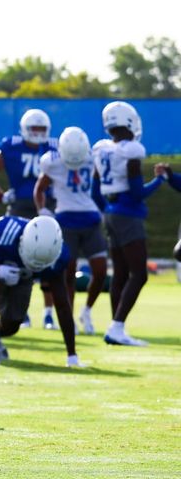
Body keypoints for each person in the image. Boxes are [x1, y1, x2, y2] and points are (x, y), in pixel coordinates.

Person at [93, 101, 166, 347]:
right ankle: (117, 327)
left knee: (121, 273)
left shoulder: (102, 149)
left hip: (110, 213)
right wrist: (159, 180)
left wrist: (108, 209)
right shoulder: (131, 150)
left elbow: (95, 190)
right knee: (139, 274)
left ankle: (116, 327)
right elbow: (137, 193)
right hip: (127, 213)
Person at [0, 214, 78, 366]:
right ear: (22, 241)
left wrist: (72, 355)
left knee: (12, 325)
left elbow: (62, 305)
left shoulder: (58, 256)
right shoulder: (6, 231)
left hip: (24, 279)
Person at [34, 127, 109, 336]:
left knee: (101, 271)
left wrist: (103, 208)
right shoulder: (52, 161)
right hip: (65, 220)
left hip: (91, 218)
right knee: (68, 273)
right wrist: (43, 211)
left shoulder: (94, 156)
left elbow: (101, 184)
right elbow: (39, 188)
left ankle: (86, 312)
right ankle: (70, 318)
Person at [0, 108, 57, 328]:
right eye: (34, 128)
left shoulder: (55, 147)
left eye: (42, 129)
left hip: (46, 207)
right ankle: (22, 310)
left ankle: (48, 313)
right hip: (19, 207)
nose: (38, 133)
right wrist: (1, 195)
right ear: (24, 129)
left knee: (49, 258)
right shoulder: (11, 147)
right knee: (15, 259)